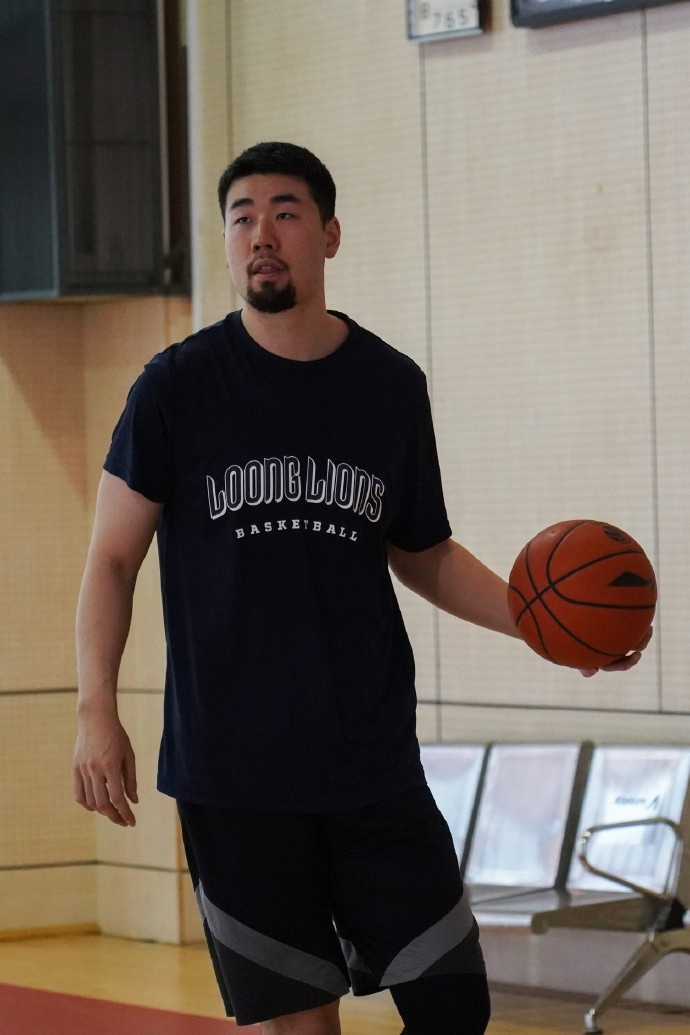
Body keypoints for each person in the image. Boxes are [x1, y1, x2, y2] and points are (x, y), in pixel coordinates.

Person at [72, 142, 649, 1035]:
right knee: (300, 1025)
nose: (262, 234)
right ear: (227, 242)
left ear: (330, 235)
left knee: (453, 1005)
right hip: (236, 772)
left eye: (286, 213)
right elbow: (112, 559)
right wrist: (94, 710)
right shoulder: (175, 388)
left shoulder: (388, 387)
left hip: (370, 763)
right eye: (242, 217)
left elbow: (424, 551)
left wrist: (541, 627)